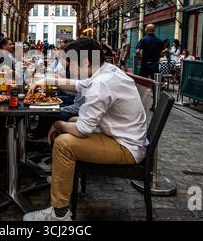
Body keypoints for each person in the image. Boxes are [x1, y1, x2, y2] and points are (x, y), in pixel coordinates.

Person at [23, 38, 147, 221]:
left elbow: (82, 131)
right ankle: (67, 180)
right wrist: (47, 80)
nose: (69, 69)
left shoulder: (101, 84)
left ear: (86, 62)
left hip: (126, 147)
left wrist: (58, 124)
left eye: (71, 63)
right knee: (72, 120)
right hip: (126, 137)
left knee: (63, 144)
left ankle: (59, 214)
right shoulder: (107, 72)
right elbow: (77, 86)